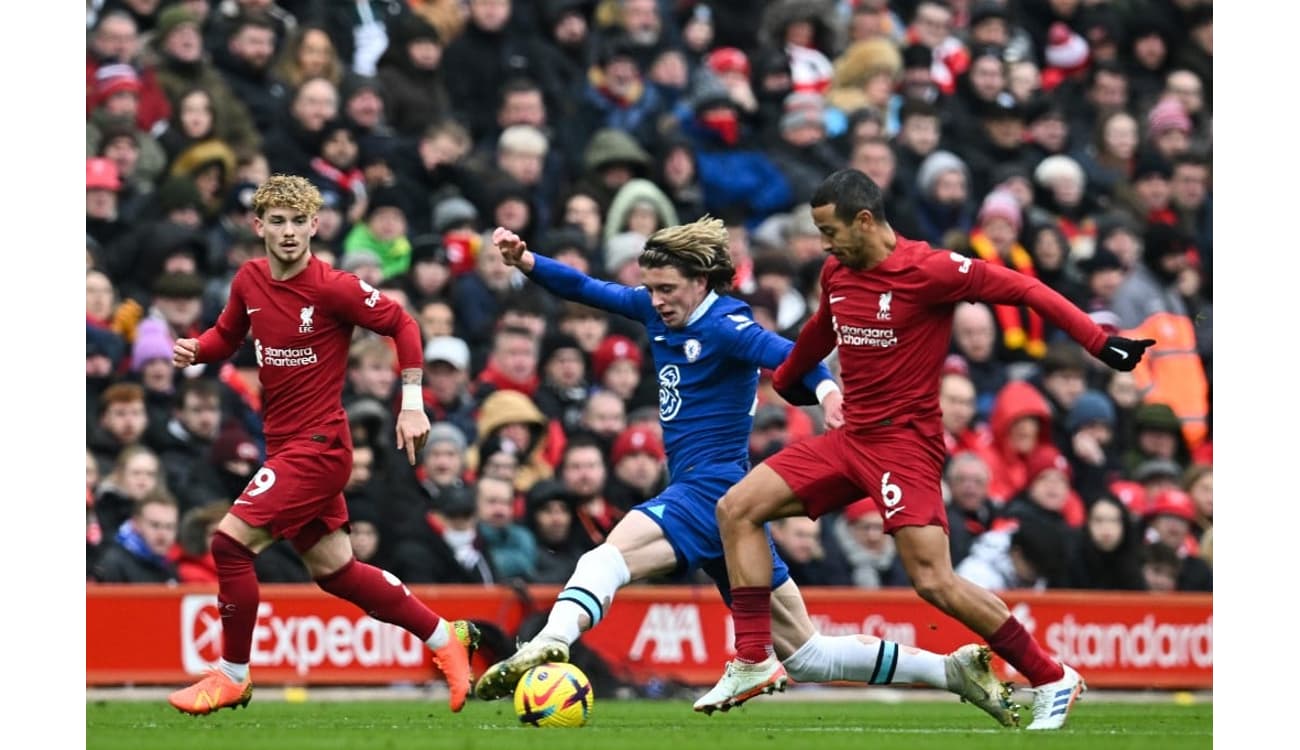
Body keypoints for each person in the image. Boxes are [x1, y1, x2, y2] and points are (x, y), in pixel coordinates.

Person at [473, 217, 1019, 728]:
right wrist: (528, 262)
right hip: (728, 506)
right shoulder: (653, 310)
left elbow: (787, 356)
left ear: (702, 280)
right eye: (652, 288)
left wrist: (827, 391)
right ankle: (951, 670)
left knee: (604, 558)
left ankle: (551, 639)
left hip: (707, 489)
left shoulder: (728, 323)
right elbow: (587, 289)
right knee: (807, 655)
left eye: (667, 289)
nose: (656, 300)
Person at [700, 169, 1156, 730]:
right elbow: (824, 328)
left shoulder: (930, 270)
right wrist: (793, 377)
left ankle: (1051, 675)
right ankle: (752, 659)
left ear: (864, 220)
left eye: (829, 230)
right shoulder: (838, 272)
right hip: (849, 439)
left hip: (904, 445)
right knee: (736, 508)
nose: (824, 243)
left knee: (934, 582)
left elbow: (1023, 288)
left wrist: (1097, 339)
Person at [165, 174, 477, 716]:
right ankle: (444, 638)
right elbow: (229, 334)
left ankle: (232, 675)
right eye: (277, 222)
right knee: (339, 573)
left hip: (320, 447)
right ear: (258, 226)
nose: (288, 233)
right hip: (284, 446)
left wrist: (410, 400)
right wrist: (199, 349)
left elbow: (402, 323)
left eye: (298, 222)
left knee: (229, 545)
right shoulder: (248, 279)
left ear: (316, 225)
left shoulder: (334, 287)